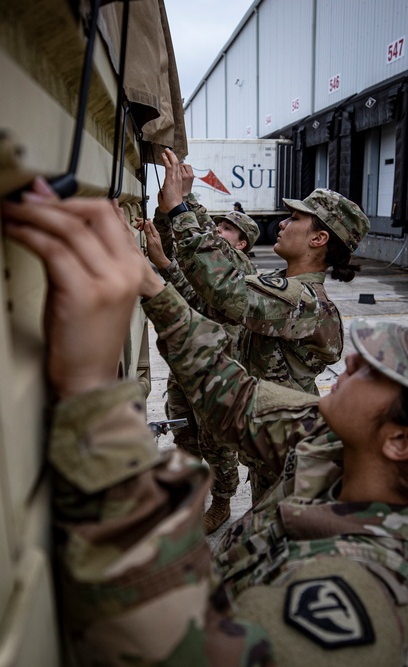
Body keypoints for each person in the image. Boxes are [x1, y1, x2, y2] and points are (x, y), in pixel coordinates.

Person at [0, 181, 408, 666]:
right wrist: (150, 285)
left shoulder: (371, 596)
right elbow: (231, 390)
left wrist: (92, 395)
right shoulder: (327, 443)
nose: (351, 362)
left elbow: (181, 653)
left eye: (379, 371)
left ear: (401, 441)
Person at [157, 148, 370, 503]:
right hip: (272, 433)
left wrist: (179, 210)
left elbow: (225, 286)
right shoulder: (280, 284)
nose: (282, 224)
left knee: (281, 533)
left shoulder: (302, 301)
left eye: (295, 219)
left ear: (319, 239)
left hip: (289, 446)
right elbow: (228, 260)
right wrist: (189, 199)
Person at [138, 185, 260, 533]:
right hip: (185, 366)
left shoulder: (238, 270)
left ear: (240, 245)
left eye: (225, 230)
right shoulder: (211, 268)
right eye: (218, 226)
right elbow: (189, 298)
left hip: (215, 375)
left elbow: (199, 301)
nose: (216, 232)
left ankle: (222, 501)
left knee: (217, 445)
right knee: (185, 434)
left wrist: (165, 264)